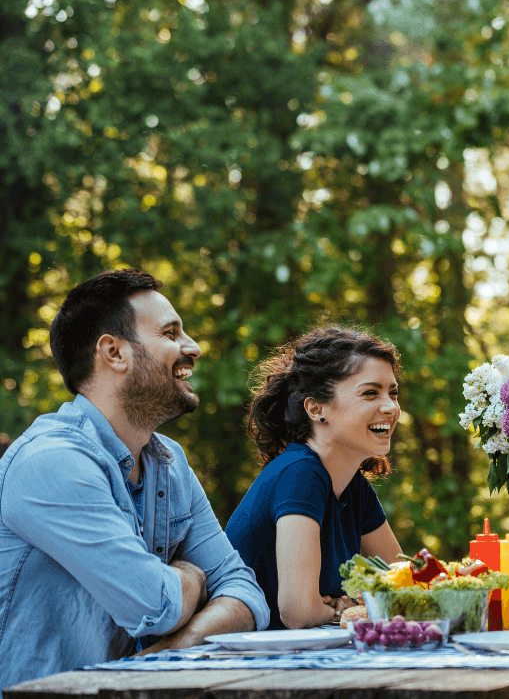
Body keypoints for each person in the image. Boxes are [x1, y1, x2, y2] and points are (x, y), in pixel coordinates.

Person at [0, 269, 268, 692]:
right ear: (114, 352)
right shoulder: (50, 462)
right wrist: (194, 578)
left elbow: (246, 594)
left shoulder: (170, 461)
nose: (192, 347)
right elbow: (155, 604)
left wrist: (173, 650)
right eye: (170, 333)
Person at [225, 326, 404, 630]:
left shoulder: (354, 487)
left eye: (393, 393)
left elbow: (405, 584)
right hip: (241, 664)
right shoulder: (300, 474)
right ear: (316, 408)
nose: (391, 407)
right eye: (370, 393)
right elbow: (299, 611)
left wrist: (345, 605)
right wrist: (342, 610)